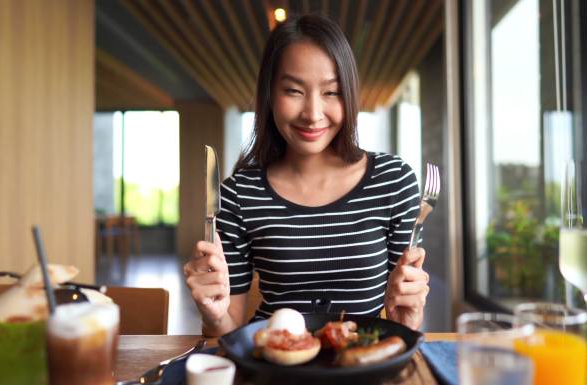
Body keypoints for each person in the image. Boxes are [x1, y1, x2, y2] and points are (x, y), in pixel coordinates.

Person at [183, 14, 429, 337]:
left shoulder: (393, 182)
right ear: (270, 94)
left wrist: (408, 319)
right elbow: (230, 337)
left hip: (360, 365)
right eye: (294, 91)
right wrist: (214, 316)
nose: (312, 114)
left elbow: (401, 325)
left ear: (350, 95)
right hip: (272, 367)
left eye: (331, 92)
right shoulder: (239, 196)